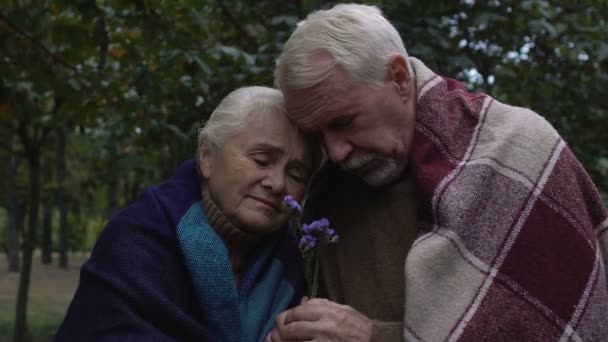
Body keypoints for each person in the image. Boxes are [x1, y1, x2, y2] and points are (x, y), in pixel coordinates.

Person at [267, 4, 608, 341]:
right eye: (318, 137)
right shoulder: (330, 199)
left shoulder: (517, 151)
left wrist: (374, 336)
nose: (337, 152)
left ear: (399, 78)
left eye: (345, 122)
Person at [55, 86, 321, 342]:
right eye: (261, 160)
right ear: (206, 155)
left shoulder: (300, 265)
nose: (277, 183)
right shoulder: (136, 240)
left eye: (296, 174)